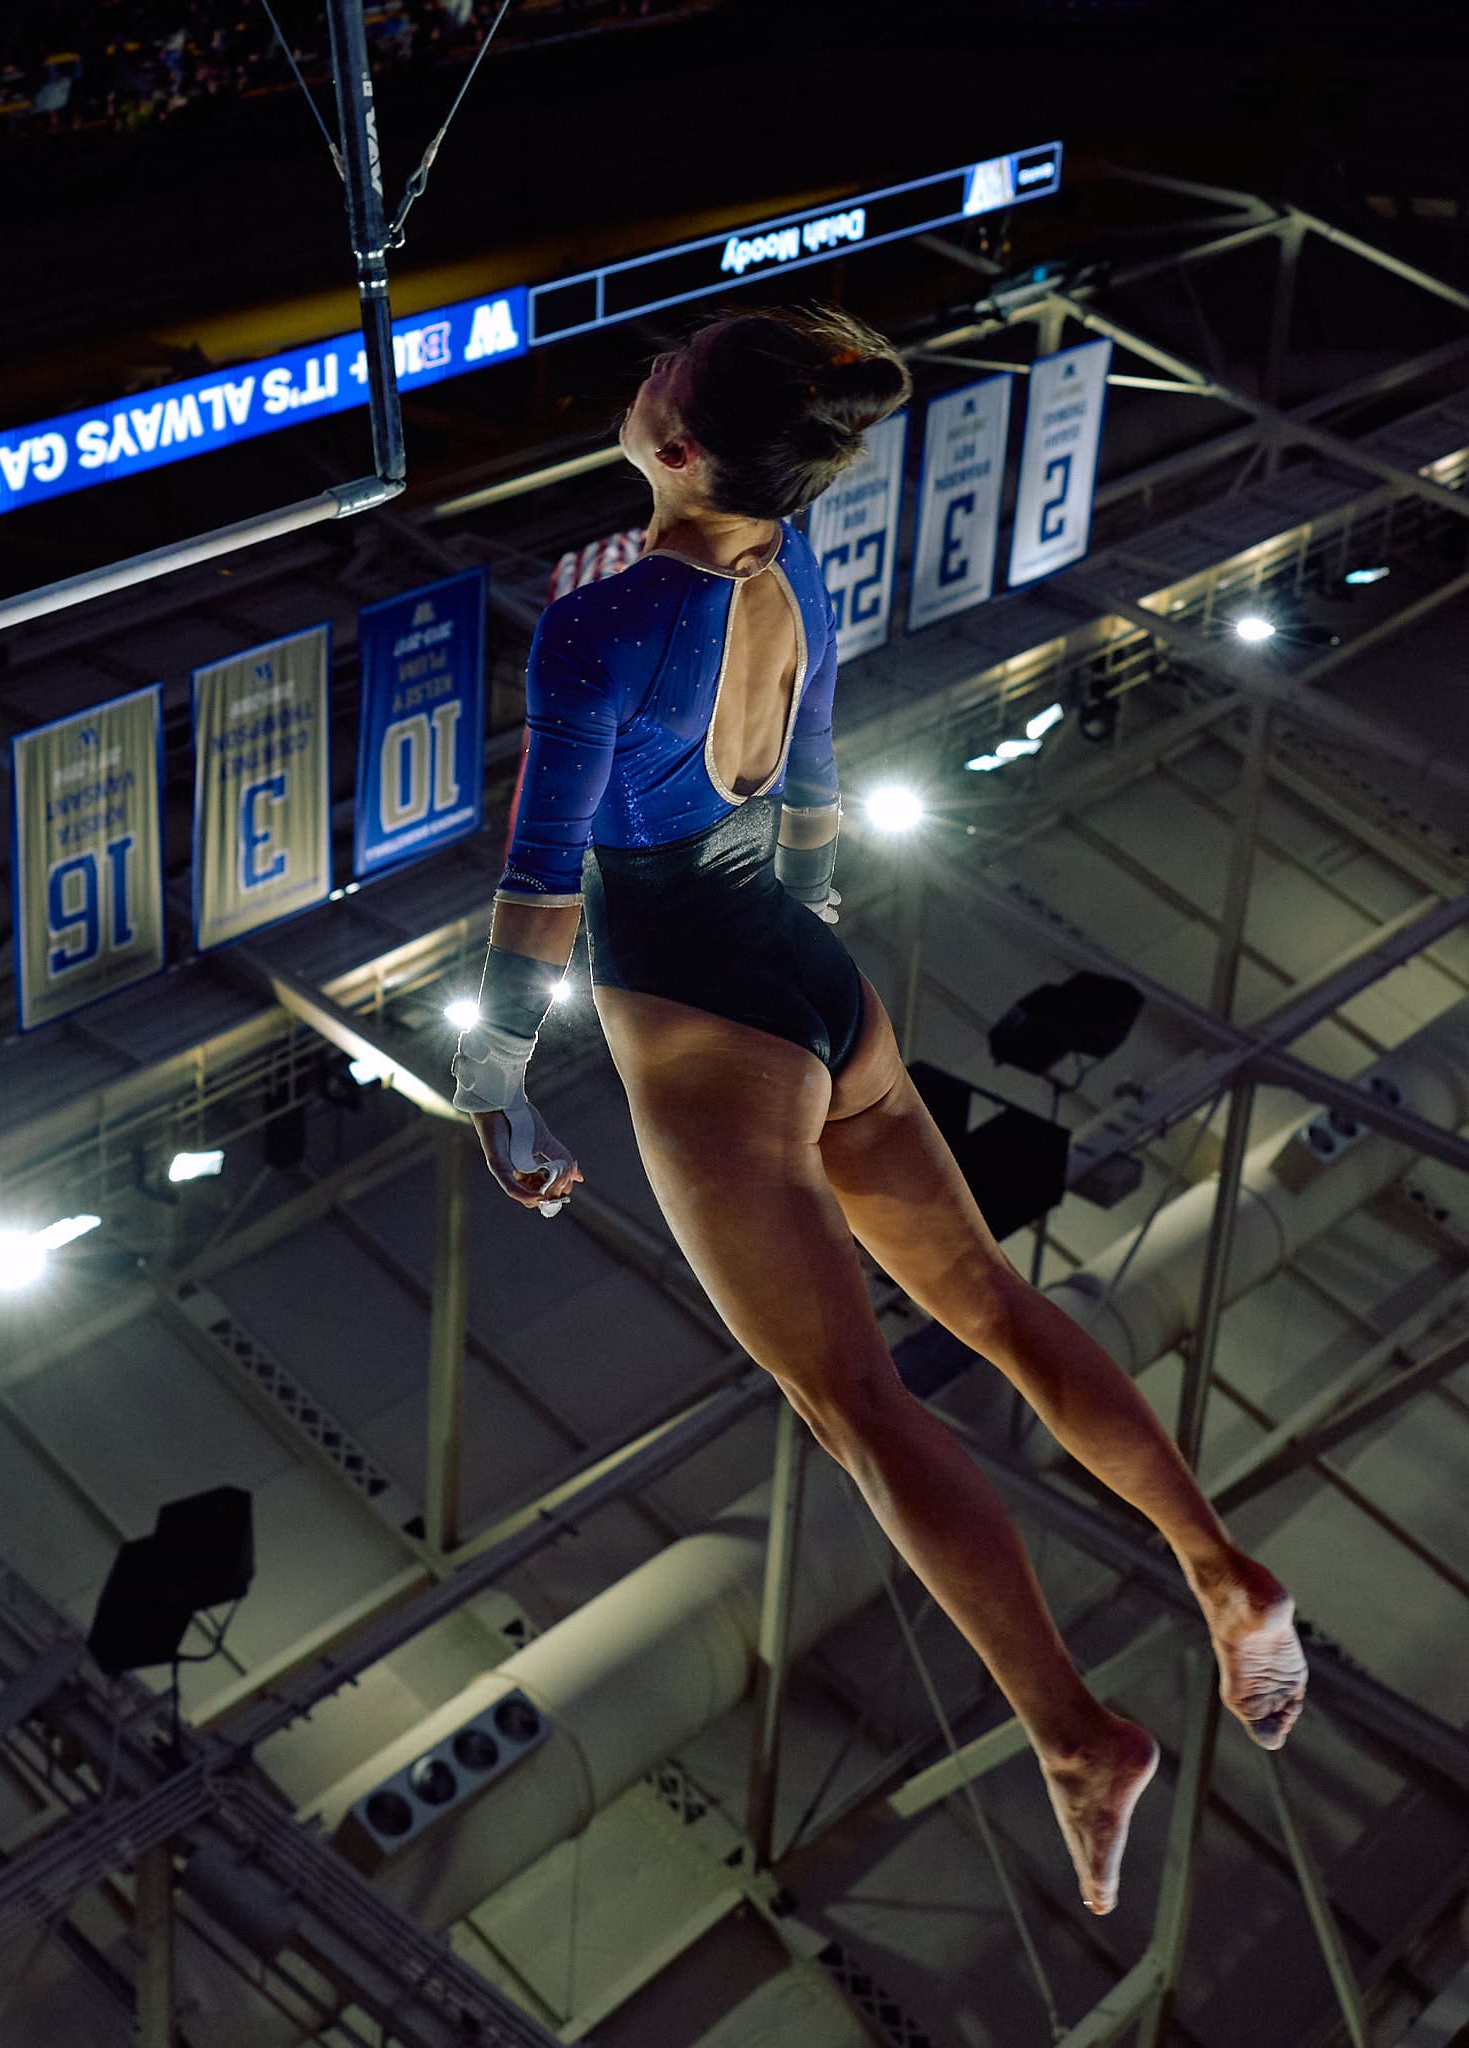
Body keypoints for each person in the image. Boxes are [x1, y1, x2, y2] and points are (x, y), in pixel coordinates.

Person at [450, 304, 1308, 1915]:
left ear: (682, 443)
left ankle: (1071, 1734)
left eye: (654, 379)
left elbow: (543, 884)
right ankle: (1221, 1565)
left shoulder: (601, 621)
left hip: (705, 1014)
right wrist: (801, 965)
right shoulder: (793, 573)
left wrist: (494, 1085)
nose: (633, 386)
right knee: (985, 1304)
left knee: (858, 1405)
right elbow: (819, 800)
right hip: (816, 985)